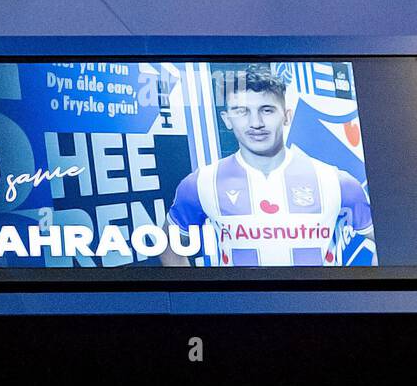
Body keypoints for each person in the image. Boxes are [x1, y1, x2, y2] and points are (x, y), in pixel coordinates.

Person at [160, 63, 373, 268]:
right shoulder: (201, 182)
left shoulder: (337, 182)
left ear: (286, 116)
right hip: (238, 305)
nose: (256, 123)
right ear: (227, 119)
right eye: (242, 111)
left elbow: (392, 248)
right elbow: (169, 247)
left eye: (267, 110)